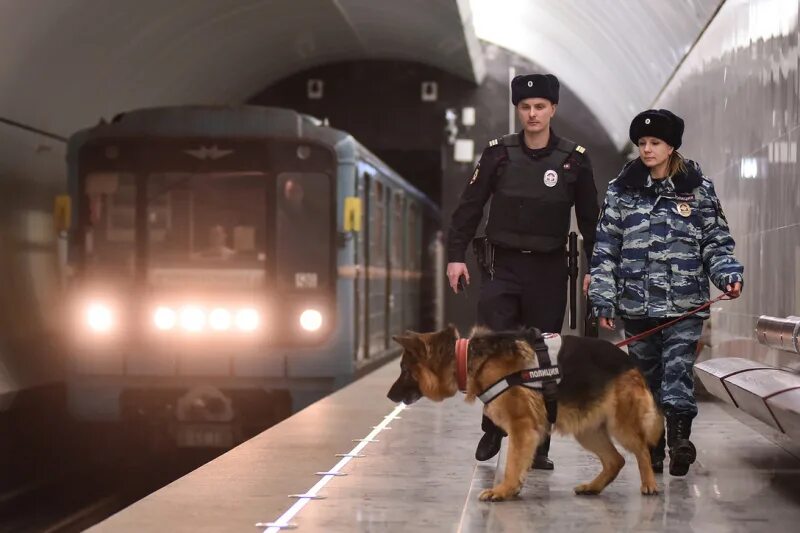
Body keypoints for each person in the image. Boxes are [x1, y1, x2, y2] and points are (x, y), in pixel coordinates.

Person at [446, 73, 600, 470]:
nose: (533, 114)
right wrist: (455, 255)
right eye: (526, 107)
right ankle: (493, 425)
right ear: (518, 110)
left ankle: (540, 441)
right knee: (495, 345)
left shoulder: (573, 159)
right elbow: (469, 206)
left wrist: (595, 269)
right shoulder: (498, 154)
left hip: (548, 270)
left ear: (553, 110)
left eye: (540, 107)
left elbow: (589, 221)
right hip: (503, 266)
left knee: (540, 356)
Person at [589, 109, 743, 476]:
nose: (647, 149)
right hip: (637, 304)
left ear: (671, 146)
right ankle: (654, 447)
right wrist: (602, 297)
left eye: (654, 142)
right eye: (642, 143)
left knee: (677, 373)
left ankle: (679, 443)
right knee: (646, 380)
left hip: (685, 304)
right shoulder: (621, 191)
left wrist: (728, 275)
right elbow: (606, 249)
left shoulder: (697, 189)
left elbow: (715, 242)